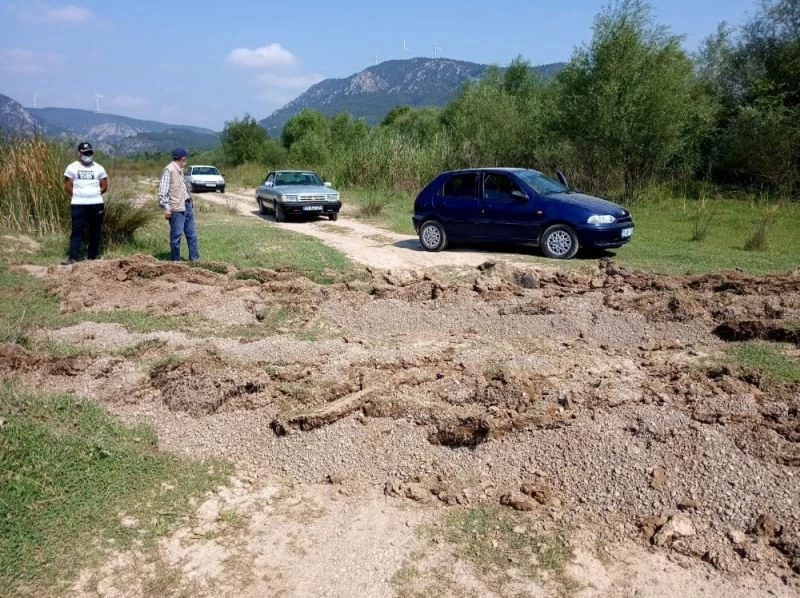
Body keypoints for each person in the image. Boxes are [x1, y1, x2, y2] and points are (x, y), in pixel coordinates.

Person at [62, 141, 108, 265]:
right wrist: (78, 196)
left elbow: (104, 186)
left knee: (95, 230)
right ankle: (73, 257)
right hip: (78, 204)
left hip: (96, 204)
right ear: (79, 153)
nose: (87, 155)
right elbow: (67, 185)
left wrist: (94, 194)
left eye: (89, 152)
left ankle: (92, 257)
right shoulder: (72, 167)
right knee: (77, 230)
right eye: (85, 153)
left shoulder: (99, 168)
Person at [158, 147, 200, 261]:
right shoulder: (169, 170)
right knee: (176, 236)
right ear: (183, 158)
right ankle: (175, 262)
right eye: (185, 159)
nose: (185, 161)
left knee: (192, 234)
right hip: (176, 208)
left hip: (187, 205)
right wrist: (166, 208)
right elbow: (163, 192)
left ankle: (194, 259)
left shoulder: (181, 170)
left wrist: (190, 200)